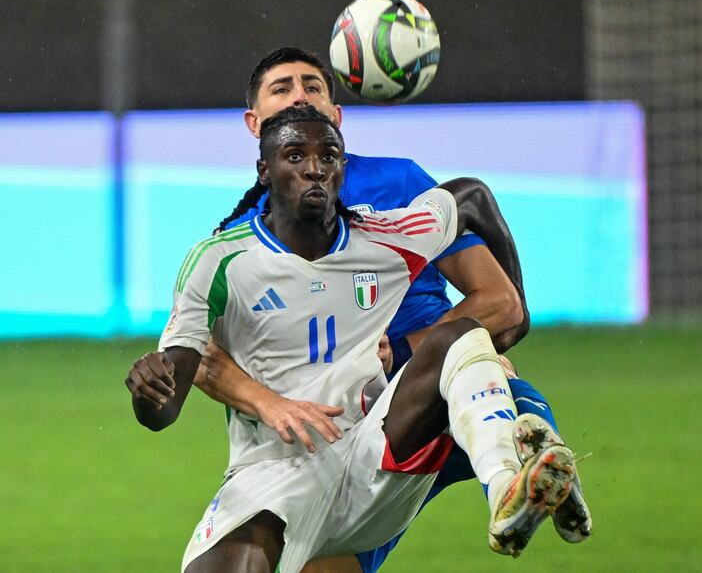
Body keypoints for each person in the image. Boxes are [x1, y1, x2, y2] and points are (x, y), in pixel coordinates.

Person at [161, 47, 589, 572]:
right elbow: (203, 355)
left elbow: (502, 308)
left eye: (313, 87)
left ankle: (520, 482)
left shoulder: (398, 188)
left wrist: (408, 353)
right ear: (256, 128)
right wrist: (272, 402)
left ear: (337, 118)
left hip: (420, 399)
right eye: (282, 89)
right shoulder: (239, 241)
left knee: (490, 386)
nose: (300, 95)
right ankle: (525, 462)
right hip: (332, 431)